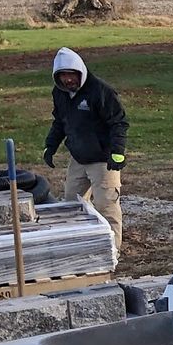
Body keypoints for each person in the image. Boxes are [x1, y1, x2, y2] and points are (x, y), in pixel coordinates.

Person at [42, 48, 128, 244]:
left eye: (71, 75)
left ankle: (113, 250)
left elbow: (118, 122)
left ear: (80, 71)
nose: (68, 80)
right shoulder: (60, 93)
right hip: (79, 158)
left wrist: (117, 152)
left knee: (106, 206)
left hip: (103, 160)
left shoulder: (100, 91)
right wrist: (51, 146)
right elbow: (60, 121)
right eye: (63, 76)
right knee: (72, 204)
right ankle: (82, 243)